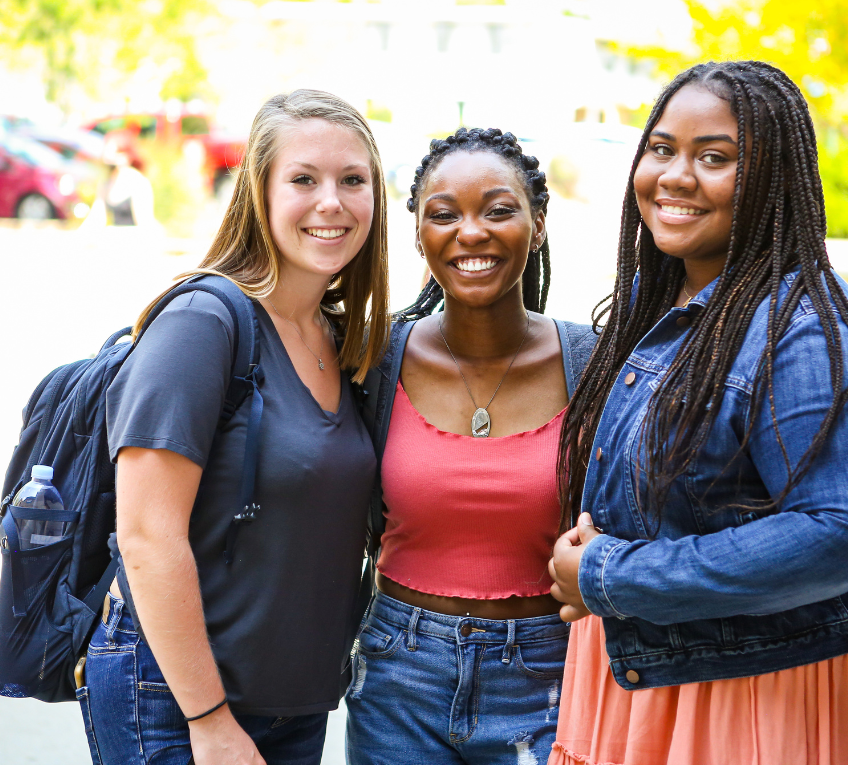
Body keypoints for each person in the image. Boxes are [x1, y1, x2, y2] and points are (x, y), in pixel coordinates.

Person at [548, 61, 848, 765]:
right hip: (670, 663)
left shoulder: (808, 331)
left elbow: (841, 530)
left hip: (775, 686)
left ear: (774, 179)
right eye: (663, 148)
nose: (675, 175)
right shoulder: (663, 293)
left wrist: (612, 574)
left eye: (715, 158)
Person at [78, 90, 390, 765]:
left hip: (294, 706)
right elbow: (145, 535)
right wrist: (209, 717)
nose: (331, 201)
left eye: (353, 180)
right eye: (303, 179)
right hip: (175, 698)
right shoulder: (204, 322)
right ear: (261, 191)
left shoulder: (341, 340)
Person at [345, 127, 596, 765]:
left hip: (551, 672)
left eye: (499, 209)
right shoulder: (373, 359)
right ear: (420, 234)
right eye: (445, 214)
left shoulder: (595, 362)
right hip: (399, 672)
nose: (471, 232)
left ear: (538, 224)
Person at [82, 129, 157, 227]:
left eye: (109, 146)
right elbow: (97, 217)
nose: (105, 150)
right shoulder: (107, 182)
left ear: (124, 152)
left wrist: (113, 233)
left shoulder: (138, 182)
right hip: (118, 238)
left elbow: (144, 225)